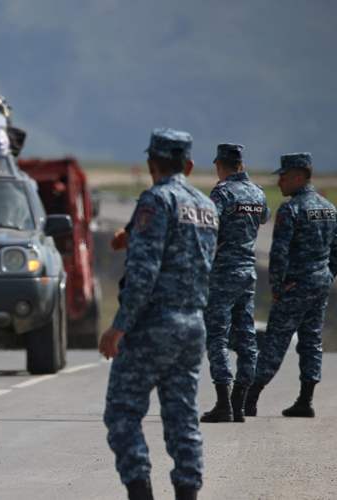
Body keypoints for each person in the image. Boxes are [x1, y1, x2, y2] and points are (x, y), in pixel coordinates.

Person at [100, 128, 217, 500]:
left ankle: (140, 492)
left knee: (122, 414)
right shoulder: (206, 206)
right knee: (183, 419)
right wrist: (131, 235)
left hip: (155, 324)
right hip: (193, 324)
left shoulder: (156, 200)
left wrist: (119, 327)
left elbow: (144, 272)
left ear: (152, 163)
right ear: (190, 164)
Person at [245, 153, 337, 418]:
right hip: (319, 285)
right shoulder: (328, 208)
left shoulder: (291, 210)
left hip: (295, 286)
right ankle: (306, 399)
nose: (280, 182)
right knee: (311, 340)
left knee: (275, 341)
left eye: (284, 176)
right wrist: (326, 276)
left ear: (299, 176)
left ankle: (250, 398)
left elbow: (279, 254)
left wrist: (277, 288)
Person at [200, 144, 269, 424]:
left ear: (221, 164)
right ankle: (239, 403)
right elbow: (263, 217)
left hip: (223, 272)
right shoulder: (258, 193)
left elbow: (207, 225)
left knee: (217, 335)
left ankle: (223, 403)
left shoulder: (222, 192)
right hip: (247, 272)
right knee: (246, 337)